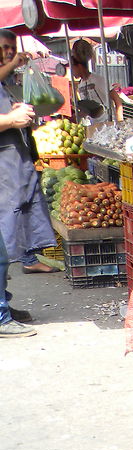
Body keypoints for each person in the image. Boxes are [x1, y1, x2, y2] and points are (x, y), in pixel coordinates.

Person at [0, 30, 59, 278]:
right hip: (5, 169)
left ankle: (4, 305)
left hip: (13, 165)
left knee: (12, 231)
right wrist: (11, 120)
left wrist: (11, 112)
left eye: (11, 48)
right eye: (3, 47)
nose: (9, 53)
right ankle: (2, 313)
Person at [70, 39, 122, 123]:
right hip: (95, 126)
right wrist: (76, 116)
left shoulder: (99, 79)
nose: (71, 72)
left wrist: (120, 121)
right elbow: (89, 111)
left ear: (79, 66)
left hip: (109, 122)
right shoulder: (80, 86)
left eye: (72, 68)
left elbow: (117, 100)